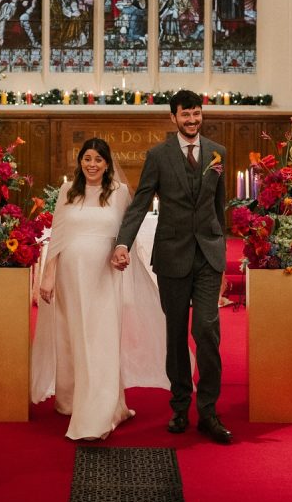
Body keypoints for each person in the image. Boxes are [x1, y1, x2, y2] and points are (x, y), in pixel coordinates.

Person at [111, 90, 233, 445]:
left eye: (196, 114)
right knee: (176, 334)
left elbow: (219, 211)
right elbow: (139, 204)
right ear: (173, 118)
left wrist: (222, 259)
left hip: (208, 257)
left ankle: (209, 410)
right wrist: (123, 243)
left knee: (207, 331)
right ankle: (180, 406)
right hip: (172, 257)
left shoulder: (217, 153)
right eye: (185, 115)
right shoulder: (158, 156)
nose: (192, 120)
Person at [31, 138, 167, 440]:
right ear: (80, 161)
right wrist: (48, 275)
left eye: (98, 160)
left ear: (107, 164)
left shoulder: (118, 193)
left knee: (101, 338)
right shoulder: (69, 191)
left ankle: (101, 411)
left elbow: (126, 233)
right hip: (70, 274)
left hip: (103, 276)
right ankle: (70, 399)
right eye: (87, 158)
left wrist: (121, 253)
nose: (92, 164)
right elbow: (58, 235)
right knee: (73, 335)